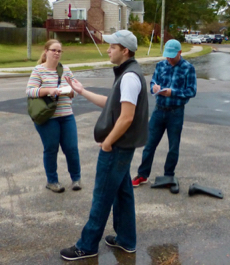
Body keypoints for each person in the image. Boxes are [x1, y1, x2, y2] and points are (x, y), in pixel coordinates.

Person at [60, 30, 148, 260]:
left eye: (112, 47)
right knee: (123, 193)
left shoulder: (129, 76)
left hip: (117, 147)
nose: (108, 50)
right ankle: (126, 240)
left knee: (102, 196)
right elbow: (112, 104)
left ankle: (87, 246)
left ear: (124, 50)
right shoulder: (128, 73)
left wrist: (107, 143)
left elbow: (126, 117)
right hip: (123, 146)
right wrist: (81, 91)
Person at [132, 39, 197, 187]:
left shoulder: (188, 68)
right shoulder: (160, 65)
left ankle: (169, 176)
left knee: (173, 146)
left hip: (176, 112)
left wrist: (172, 92)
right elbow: (153, 82)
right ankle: (143, 175)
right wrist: (155, 87)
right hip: (159, 110)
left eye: (172, 56)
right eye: (167, 55)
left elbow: (192, 91)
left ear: (180, 52)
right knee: (149, 144)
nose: (168, 58)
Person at [26, 39, 81, 193]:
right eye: (53, 50)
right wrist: (49, 90)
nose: (57, 53)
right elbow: (30, 91)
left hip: (66, 115)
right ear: (46, 51)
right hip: (48, 117)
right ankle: (52, 181)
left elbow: (75, 89)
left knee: (71, 148)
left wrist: (70, 91)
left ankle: (76, 178)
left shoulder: (66, 70)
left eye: (59, 51)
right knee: (51, 149)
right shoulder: (38, 70)